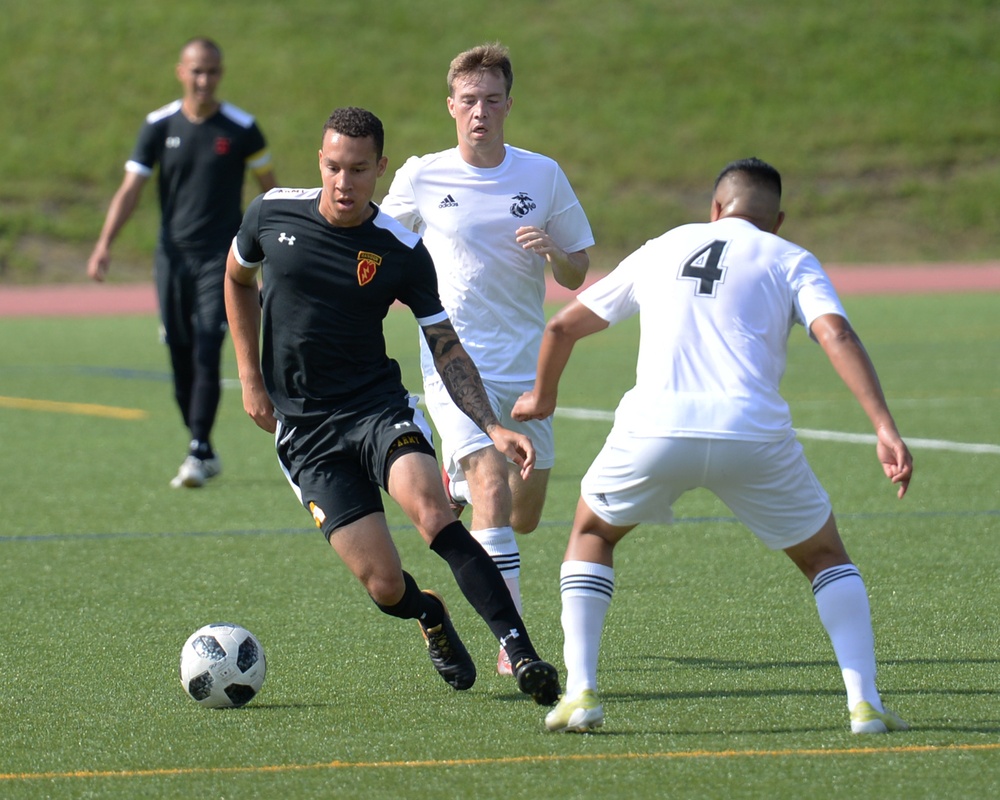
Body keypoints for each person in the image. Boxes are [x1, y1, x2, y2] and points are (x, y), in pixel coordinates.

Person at [512, 157, 913, 735]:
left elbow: (561, 326)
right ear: (776, 219)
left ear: (715, 209)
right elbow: (837, 333)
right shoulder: (789, 256)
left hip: (653, 430)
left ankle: (581, 695)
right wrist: (883, 426)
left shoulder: (664, 246)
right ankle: (865, 704)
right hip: (752, 434)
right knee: (826, 558)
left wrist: (542, 398)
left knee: (593, 534)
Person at [223, 106, 560, 705]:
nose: (344, 183)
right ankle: (429, 613)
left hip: (377, 410)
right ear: (319, 162)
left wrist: (490, 426)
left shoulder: (400, 249)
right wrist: (250, 377)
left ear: (380, 168)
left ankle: (523, 652)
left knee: (436, 517)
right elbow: (237, 278)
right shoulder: (270, 213)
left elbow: (446, 347)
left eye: (357, 170)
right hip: (305, 433)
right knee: (383, 586)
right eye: (333, 168)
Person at [380, 42, 595, 675]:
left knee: (525, 515)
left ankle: (455, 484)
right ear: (451, 106)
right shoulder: (423, 175)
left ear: (508, 105)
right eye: (469, 100)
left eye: (491, 100)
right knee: (493, 489)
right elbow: (376, 241)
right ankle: (514, 641)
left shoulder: (542, 174)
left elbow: (579, 269)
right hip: (454, 363)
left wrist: (555, 249)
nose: (480, 112)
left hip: (527, 366)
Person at [87, 37, 277, 488]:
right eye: (196, 71)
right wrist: (104, 243)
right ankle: (201, 445)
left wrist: (272, 255)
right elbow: (131, 189)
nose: (204, 79)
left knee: (210, 344)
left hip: (222, 258)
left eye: (211, 71)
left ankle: (198, 448)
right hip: (171, 257)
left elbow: (268, 192)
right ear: (181, 72)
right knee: (179, 352)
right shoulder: (158, 126)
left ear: (221, 73)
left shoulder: (242, 128)